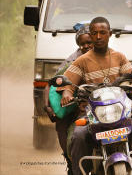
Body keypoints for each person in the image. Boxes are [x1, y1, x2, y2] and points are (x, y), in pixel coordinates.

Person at [59, 16, 132, 175]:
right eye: (94, 33)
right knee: (78, 135)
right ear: (90, 35)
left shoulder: (119, 57)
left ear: (110, 34)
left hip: (121, 112)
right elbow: (68, 85)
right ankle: (79, 171)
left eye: (102, 32)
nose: (98, 37)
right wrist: (67, 94)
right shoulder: (81, 61)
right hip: (93, 115)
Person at [43, 24, 93, 175]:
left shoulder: (109, 55)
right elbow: (52, 84)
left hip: (106, 102)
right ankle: (71, 162)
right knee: (66, 127)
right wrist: (48, 107)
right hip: (80, 104)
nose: (86, 46)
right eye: (82, 44)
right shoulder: (73, 61)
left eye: (89, 42)